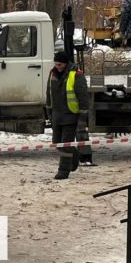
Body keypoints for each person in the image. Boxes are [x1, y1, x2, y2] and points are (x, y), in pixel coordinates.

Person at [46, 51, 89, 180]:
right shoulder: (53, 74)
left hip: (70, 116)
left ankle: (63, 171)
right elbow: (49, 94)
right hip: (57, 116)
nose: (57, 66)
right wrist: (49, 112)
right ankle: (74, 155)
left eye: (59, 64)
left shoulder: (76, 75)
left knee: (65, 145)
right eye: (56, 64)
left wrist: (82, 117)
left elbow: (83, 97)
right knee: (57, 143)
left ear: (65, 63)